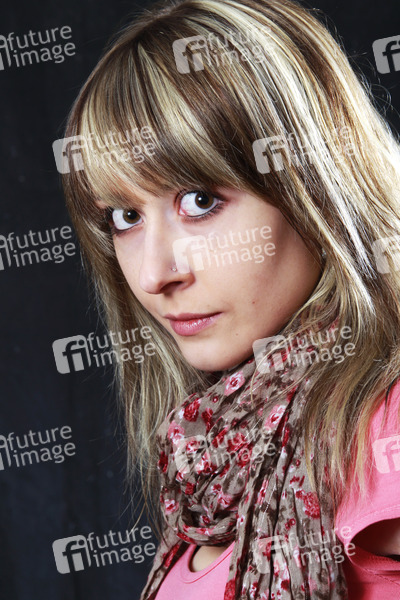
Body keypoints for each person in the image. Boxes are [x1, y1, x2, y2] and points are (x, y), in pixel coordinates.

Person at [58, 0, 400, 597]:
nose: (153, 274)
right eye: (125, 217)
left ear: (315, 184)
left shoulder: (384, 430)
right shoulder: (213, 464)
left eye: (199, 201)